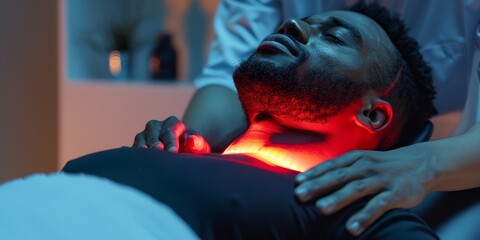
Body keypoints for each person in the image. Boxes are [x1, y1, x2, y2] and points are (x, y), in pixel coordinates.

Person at [133, 0, 480, 236]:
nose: (291, 25)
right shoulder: (146, 171)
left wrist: (421, 166)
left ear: (372, 113)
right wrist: (180, 149)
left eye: (335, 37)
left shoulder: (377, 227)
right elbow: (228, 73)